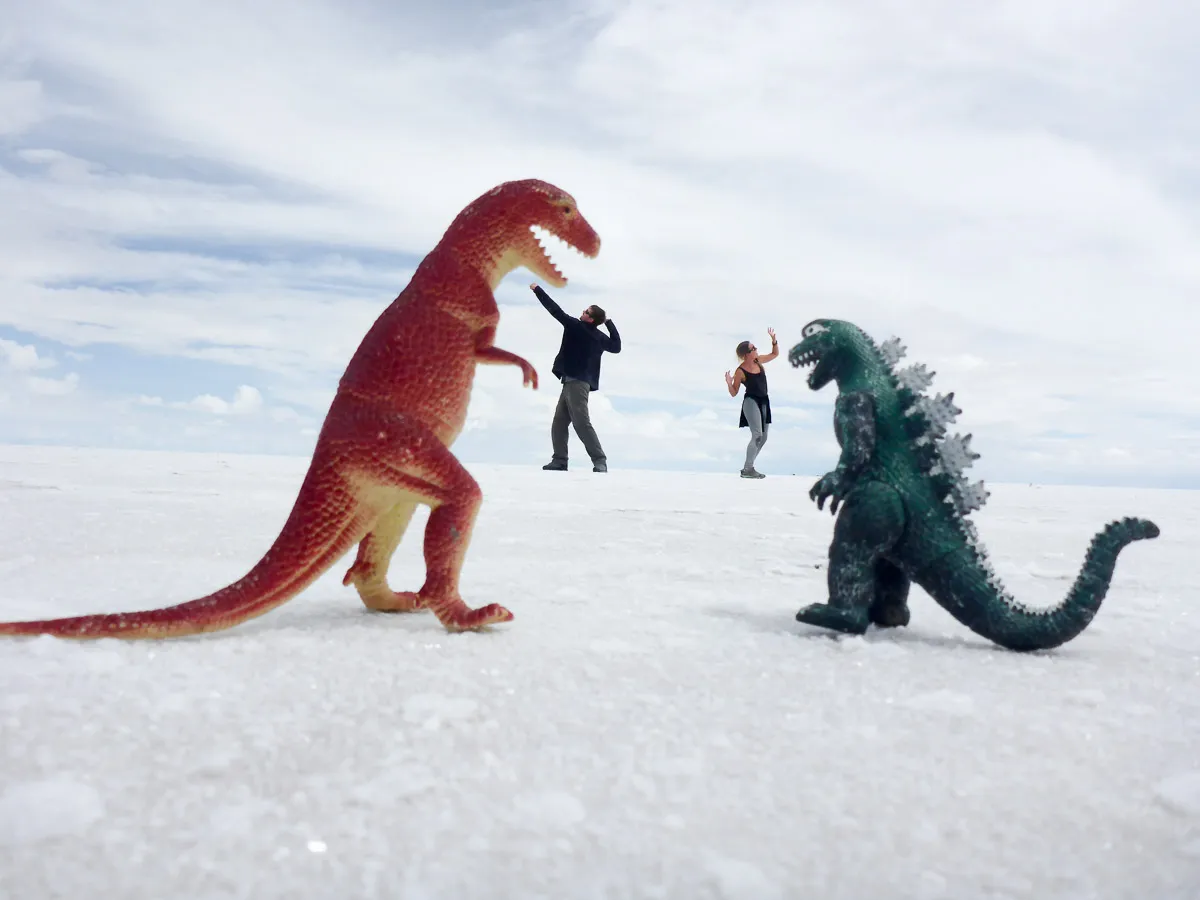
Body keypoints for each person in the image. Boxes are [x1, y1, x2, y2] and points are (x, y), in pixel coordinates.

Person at [530, 282, 622, 473]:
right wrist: (609, 323)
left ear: (590, 319)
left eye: (586, 311)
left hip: (578, 383)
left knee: (581, 423)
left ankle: (599, 460)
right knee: (559, 423)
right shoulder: (598, 336)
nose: (583, 312)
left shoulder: (577, 327)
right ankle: (560, 460)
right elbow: (616, 345)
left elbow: (554, 310)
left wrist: (537, 290)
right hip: (570, 382)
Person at [725, 328, 778, 479]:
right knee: (757, 434)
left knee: (764, 437)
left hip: (764, 401)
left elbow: (775, 354)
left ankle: (748, 468)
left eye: (755, 348)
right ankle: (748, 469)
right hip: (751, 402)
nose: (756, 350)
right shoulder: (740, 371)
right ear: (746, 354)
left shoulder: (758, 361)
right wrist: (729, 383)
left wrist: (774, 340)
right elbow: (734, 393)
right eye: (753, 348)